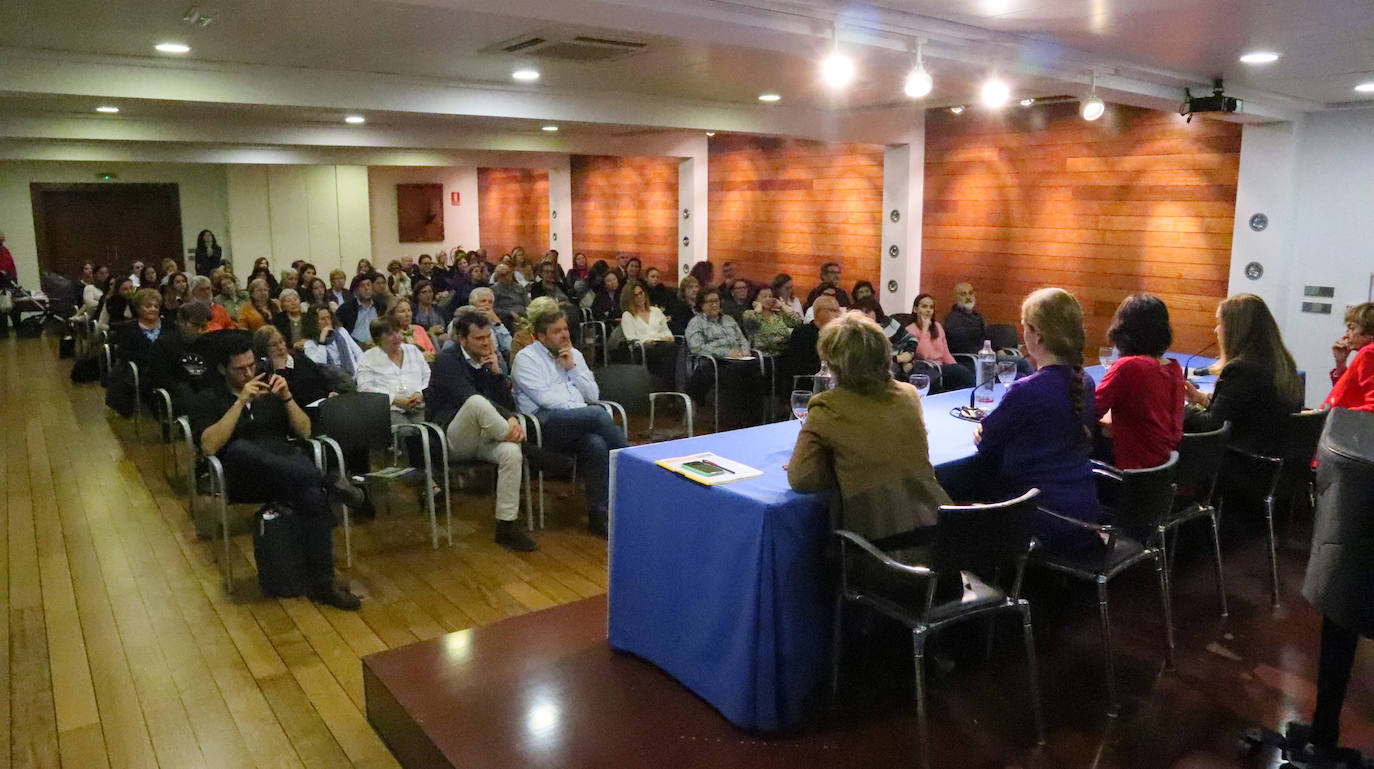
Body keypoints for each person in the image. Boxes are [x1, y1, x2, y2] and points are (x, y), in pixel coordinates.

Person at [189, 336, 362, 610]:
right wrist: (239, 403)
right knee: (242, 448)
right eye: (240, 369)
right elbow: (209, 446)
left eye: (251, 365)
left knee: (313, 497)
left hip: (289, 472)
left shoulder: (271, 391)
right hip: (244, 478)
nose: (249, 373)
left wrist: (287, 398)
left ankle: (324, 584)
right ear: (223, 369)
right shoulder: (207, 398)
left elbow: (305, 432)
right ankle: (328, 480)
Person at [789, 311, 953, 540]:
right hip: (939, 534)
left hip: (882, 549)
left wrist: (840, 467)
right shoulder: (909, 395)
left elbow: (801, 479)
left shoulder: (827, 406)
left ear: (836, 364)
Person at [975, 288, 1100, 553]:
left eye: (1024, 327)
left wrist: (982, 432)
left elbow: (987, 444)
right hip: (1085, 510)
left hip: (1042, 515)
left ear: (1038, 334)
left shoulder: (1026, 391)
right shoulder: (1086, 382)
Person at [428, 309, 536, 551]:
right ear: (462, 339)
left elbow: (508, 405)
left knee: (510, 452)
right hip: (451, 438)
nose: (486, 342)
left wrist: (497, 374)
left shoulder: (489, 360)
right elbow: (467, 396)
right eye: (479, 338)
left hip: (486, 434)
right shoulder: (447, 360)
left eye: (488, 337)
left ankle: (506, 525)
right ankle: (529, 447)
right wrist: (509, 421)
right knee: (476, 403)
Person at [512, 310, 627, 537]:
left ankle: (599, 515)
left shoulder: (574, 354)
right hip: (541, 425)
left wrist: (572, 368)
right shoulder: (526, 359)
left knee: (594, 444)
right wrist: (583, 410)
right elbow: (545, 400)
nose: (564, 335)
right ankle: (633, 466)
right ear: (540, 337)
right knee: (596, 415)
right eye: (557, 331)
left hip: (576, 423)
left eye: (565, 329)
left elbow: (593, 393)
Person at [1184, 293, 1303, 453]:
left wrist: (1180, 407)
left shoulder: (1241, 369)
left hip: (1239, 463)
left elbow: (1212, 427)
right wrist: (1200, 398)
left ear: (1236, 330)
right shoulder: (1282, 364)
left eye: (1220, 323)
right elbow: (1243, 411)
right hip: (1267, 455)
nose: (1216, 329)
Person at [1093, 294, 1185, 470]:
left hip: (1131, 471)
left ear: (1122, 331)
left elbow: (1090, 410)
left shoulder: (1128, 366)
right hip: (1162, 471)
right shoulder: (1174, 368)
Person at [356, 316, 435, 475]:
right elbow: (364, 388)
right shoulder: (368, 358)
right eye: (390, 334)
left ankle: (429, 475)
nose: (397, 337)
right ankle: (419, 477)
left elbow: (428, 376)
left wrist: (419, 392)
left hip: (418, 404)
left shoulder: (413, 351)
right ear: (378, 338)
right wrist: (395, 400)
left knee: (427, 431)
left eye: (397, 332)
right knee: (409, 431)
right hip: (389, 409)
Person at [685, 286, 762, 427]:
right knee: (733, 375)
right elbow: (697, 347)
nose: (714, 304)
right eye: (710, 301)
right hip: (713, 362)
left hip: (738, 360)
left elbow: (742, 339)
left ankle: (754, 420)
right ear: (701, 305)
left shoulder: (729, 320)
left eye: (717, 301)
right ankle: (733, 422)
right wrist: (726, 353)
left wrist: (745, 351)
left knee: (755, 369)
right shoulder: (696, 323)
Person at [253, 325, 339, 408]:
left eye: (281, 341)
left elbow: (320, 375)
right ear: (264, 349)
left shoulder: (299, 358)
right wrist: (280, 369)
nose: (280, 347)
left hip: (325, 403)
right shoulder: (265, 371)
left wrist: (330, 392)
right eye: (274, 345)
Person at [903, 293, 975, 391]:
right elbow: (923, 355)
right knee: (962, 373)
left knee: (965, 371)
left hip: (942, 368)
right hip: (928, 369)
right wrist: (924, 330)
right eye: (924, 307)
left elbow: (945, 354)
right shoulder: (910, 330)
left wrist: (955, 366)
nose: (928, 310)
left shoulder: (937, 327)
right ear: (915, 309)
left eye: (931, 307)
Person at [620, 279, 678, 387]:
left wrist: (659, 339)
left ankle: (667, 390)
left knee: (672, 348)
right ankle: (664, 390)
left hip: (661, 345)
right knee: (665, 353)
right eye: (635, 295)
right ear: (630, 298)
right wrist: (649, 340)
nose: (639, 297)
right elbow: (631, 338)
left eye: (641, 293)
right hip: (642, 349)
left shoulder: (656, 311)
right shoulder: (628, 315)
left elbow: (667, 333)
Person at [781, 294, 841, 387]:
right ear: (819, 312)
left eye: (838, 310)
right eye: (833, 311)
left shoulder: (839, 334)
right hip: (811, 382)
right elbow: (799, 366)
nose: (838, 315)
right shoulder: (803, 333)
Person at [1324, 302, 1374, 412]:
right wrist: (1340, 364)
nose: (1346, 335)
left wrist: (1341, 417)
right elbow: (1349, 394)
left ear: (1370, 334)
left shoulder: (1369, 353)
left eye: (1351, 328)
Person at [302, 304, 363, 380]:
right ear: (314, 322)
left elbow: (358, 353)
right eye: (322, 319)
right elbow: (320, 365)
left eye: (328, 318)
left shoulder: (341, 332)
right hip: (332, 382)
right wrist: (322, 341)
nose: (327, 322)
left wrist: (358, 373)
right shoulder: (309, 344)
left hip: (354, 376)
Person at [742, 284, 800, 356]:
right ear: (755, 299)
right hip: (764, 356)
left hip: (784, 354)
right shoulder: (749, 314)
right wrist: (758, 309)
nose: (768, 299)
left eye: (770, 296)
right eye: (764, 296)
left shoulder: (778, 313)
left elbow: (797, 323)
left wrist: (782, 306)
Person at [336, 273, 386, 347]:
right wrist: (360, 345)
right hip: (354, 348)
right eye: (362, 286)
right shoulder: (345, 309)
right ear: (356, 291)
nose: (366, 288)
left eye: (368, 285)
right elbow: (340, 333)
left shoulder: (380, 306)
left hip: (377, 347)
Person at [943, 282, 987, 356]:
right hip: (967, 358)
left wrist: (997, 349)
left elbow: (986, 338)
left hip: (983, 355)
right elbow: (959, 345)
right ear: (956, 297)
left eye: (970, 293)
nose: (968, 297)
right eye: (963, 294)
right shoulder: (952, 319)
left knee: (1009, 360)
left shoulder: (978, 316)